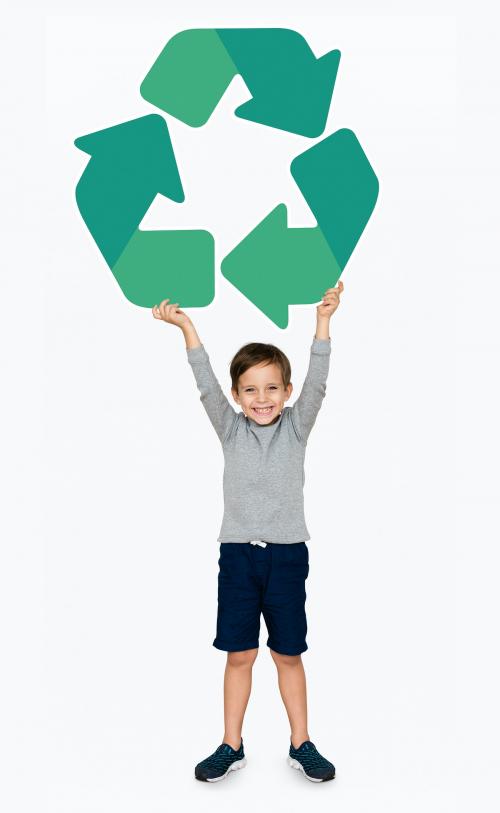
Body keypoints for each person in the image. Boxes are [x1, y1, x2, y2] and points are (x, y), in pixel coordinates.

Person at [152, 281, 344, 783]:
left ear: (287, 391)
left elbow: (319, 380)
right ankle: (230, 744)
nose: (262, 398)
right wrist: (188, 328)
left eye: (272, 387)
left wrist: (323, 322)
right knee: (240, 653)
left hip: (287, 557)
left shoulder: (297, 427)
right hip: (237, 556)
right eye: (251, 390)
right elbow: (204, 384)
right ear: (237, 396)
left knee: (288, 653)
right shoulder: (230, 427)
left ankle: (301, 743)